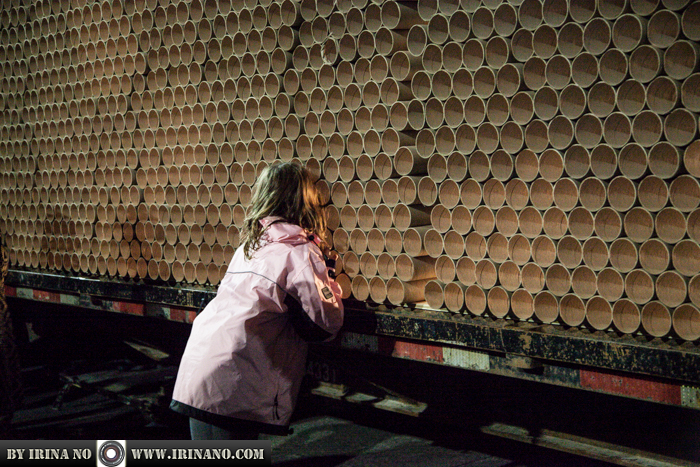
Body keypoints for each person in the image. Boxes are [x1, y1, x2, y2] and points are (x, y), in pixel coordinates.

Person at [170, 161, 344, 440]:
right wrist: (329, 278)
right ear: (304, 200)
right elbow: (326, 323)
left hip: (200, 363)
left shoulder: (249, 246)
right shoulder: (298, 252)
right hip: (235, 378)